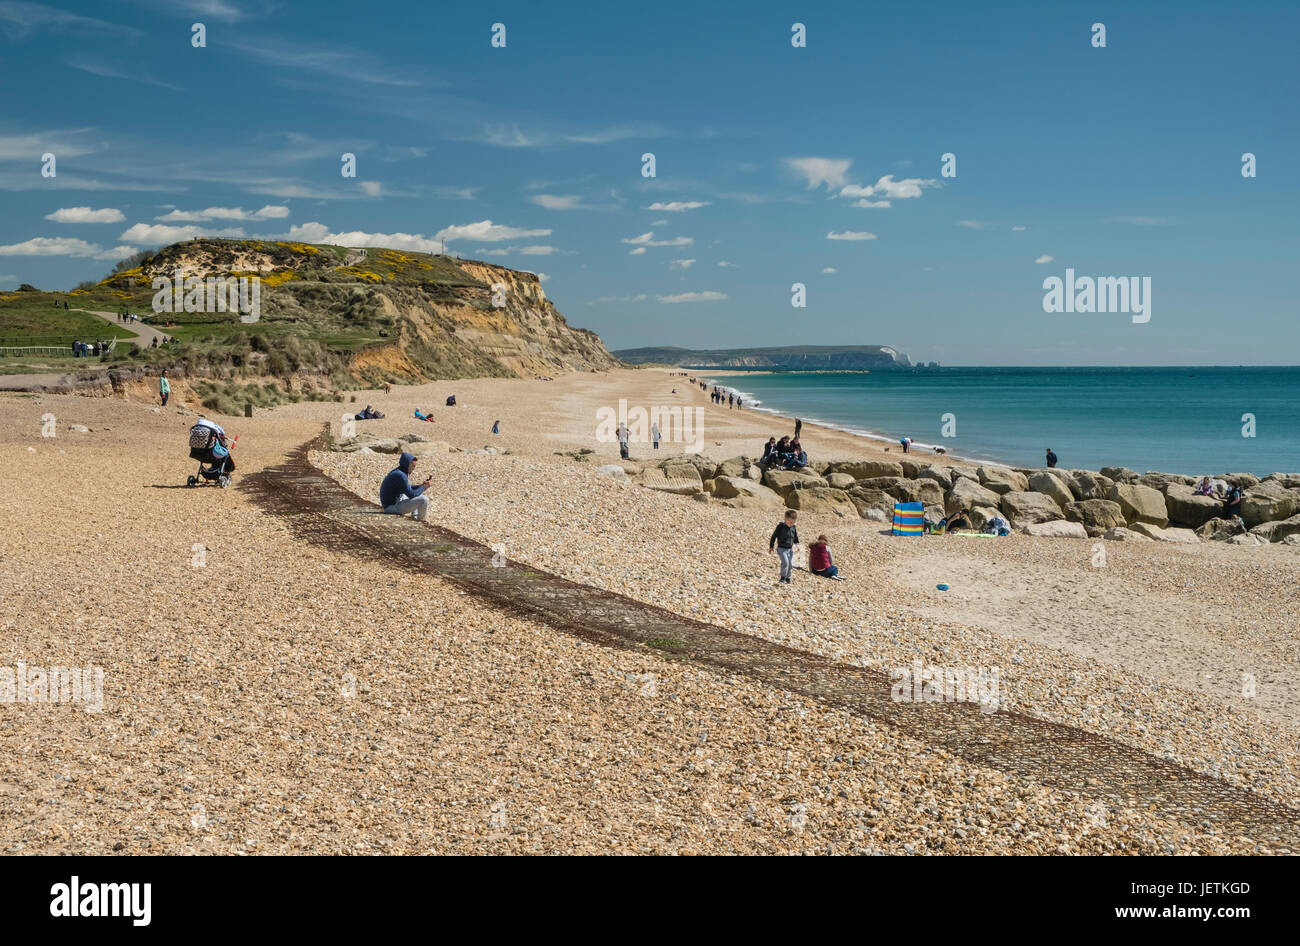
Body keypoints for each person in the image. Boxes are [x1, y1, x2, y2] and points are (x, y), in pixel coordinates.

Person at [379, 452, 431, 521]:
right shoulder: (401, 475)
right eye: (413, 466)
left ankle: (414, 517)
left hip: (392, 503)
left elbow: (407, 488)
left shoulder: (399, 471)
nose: (414, 469)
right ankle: (421, 521)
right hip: (391, 507)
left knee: (416, 493)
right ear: (407, 464)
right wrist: (424, 487)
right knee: (424, 500)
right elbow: (412, 494)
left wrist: (421, 485)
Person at [769, 510, 800, 584]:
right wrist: (771, 546)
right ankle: (782, 577)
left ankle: (788, 578)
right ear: (785, 519)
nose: (790, 524)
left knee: (790, 564)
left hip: (790, 549)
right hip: (781, 548)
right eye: (789, 522)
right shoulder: (780, 526)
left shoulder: (793, 527)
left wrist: (797, 544)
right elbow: (774, 536)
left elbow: (795, 537)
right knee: (785, 563)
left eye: (793, 523)